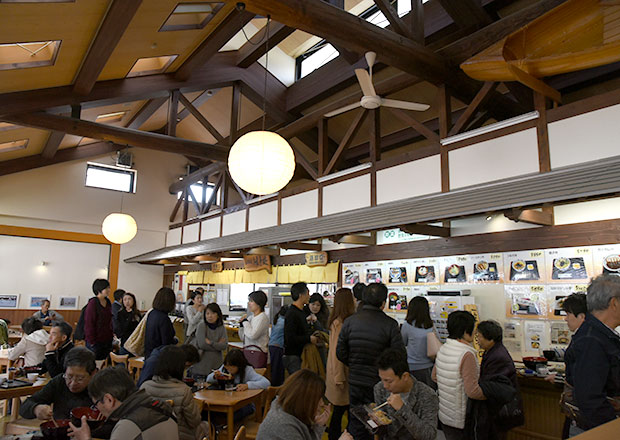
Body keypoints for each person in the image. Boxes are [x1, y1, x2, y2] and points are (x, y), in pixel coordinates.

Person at [336, 282, 405, 440]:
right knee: (380, 422)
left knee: (357, 420)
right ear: (383, 302)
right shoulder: (390, 324)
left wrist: (353, 364)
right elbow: (399, 356)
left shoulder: (350, 322)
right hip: (379, 383)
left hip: (355, 381)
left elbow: (340, 352)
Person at [566, 275, 620, 433]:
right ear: (614, 303)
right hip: (596, 430)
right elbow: (590, 398)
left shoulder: (600, 334)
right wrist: (613, 430)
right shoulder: (591, 339)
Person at [69, 366, 178, 440]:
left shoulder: (129, 426)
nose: (97, 409)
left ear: (109, 400)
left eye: (96, 404)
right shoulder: (162, 406)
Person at [432, 310, 486, 440]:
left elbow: (434, 376)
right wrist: (490, 394)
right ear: (466, 331)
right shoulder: (466, 354)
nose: (475, 333)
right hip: (461, 417)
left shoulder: (443, 348)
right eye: (473, 329)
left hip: (445, 414)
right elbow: (472, 391)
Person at [257, 369, 346, 440]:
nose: (322, 403)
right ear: (305, 400)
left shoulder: (287, 412)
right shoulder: (284, 425)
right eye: (319, 399)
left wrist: (318, 425)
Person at [374, 348, 439, 440]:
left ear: (405, 376)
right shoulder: (380, 389)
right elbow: (382, 430)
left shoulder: (427, 395)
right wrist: (374, 422)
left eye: (389, 381)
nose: (385, 385)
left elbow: (428, 435)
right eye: (382, 379)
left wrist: (402, 409)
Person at [140, 345, 201, 440]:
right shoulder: (183, 391)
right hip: (178, 435)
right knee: (206, 426)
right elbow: (194, 421)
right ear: (180, 367)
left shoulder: (145, 387)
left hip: (150, 434)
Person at [474, 320, 522, 439]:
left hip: (498, 409)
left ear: (490, 338)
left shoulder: (498, 356)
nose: (477, 340)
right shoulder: (492, 351)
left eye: (479, 336)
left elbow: (493, 386)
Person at [20, 347, 96, 420]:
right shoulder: (59, 381)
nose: (73, 383)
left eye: (80, 379)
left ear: (93, 373)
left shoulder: (100, 386)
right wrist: (36, 409)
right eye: (69, 377)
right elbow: (25, 407)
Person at [207, 349, 270, 422]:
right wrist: (214, 376)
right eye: (227, 366)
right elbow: (208, 380)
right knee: (209, 412)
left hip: (244, 404)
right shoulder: (224, 369)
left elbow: (266, 383)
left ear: (239, 365)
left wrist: (247, 385)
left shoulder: (247, 370)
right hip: (225, 401)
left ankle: (229, 429)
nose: (229, 369)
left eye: (232, 366)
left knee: (232, 416)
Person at [325, 288, 355, 440]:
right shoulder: (341, 323)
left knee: (339, 412)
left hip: (335, 373)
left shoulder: (335, 320)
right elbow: (338, 354)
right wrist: (339, 377)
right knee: (342, 412)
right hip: (340, 374)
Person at [401, 296, 437, 389]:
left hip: (411, 366)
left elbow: (403, 342)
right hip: (428, 366)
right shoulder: (431, 325)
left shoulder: (407, 325)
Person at [284, 282, 318, 375]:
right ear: (301, 295)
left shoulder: (302, 311)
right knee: (297, 385)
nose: (309, 296)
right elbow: (289, 338)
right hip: (293, 356)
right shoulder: (292, 313)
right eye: (307, 294)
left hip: (301, 354)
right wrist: (309, 338)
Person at [190, 302, 228, 377]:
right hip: (201, 365)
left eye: (213, 313)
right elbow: (202, 344)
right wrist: (217, 345)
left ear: (218, 315)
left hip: (216, 365)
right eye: (207, 313)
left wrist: (211, 342)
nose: (210, 316)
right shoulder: (202, 325)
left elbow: (224, 346)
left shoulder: (221, 327)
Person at [84, 278, 113, 361]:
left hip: (107, 339)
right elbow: (89, 323)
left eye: (109, 288)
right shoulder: (93, 302)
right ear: (99, 289)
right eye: (106, 288)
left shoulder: (108, 302)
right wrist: (92, 341)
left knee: (105, 363)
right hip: (95, 340)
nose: (108, 290)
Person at [239, 290, 270, 367]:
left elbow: (253, 335)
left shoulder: (262, 317)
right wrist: (241, 325)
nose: (249, 303)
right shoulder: (250, 317)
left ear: (258, 303)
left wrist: (245, 322)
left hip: (258, 353)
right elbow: (243, 337)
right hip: (248, 351)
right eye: (249, 301)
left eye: (251, 301)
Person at [145, 287, 177, 359]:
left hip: (149, 354)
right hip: (159, 357)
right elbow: (166, 342)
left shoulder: (152, 313)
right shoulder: (164, 318)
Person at [268, 305, 288, 387]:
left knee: (274, 369)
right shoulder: (284, 322)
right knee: (278, 370)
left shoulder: (277, 319)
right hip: (278, 347)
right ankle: (276, 389)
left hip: (272, 346)